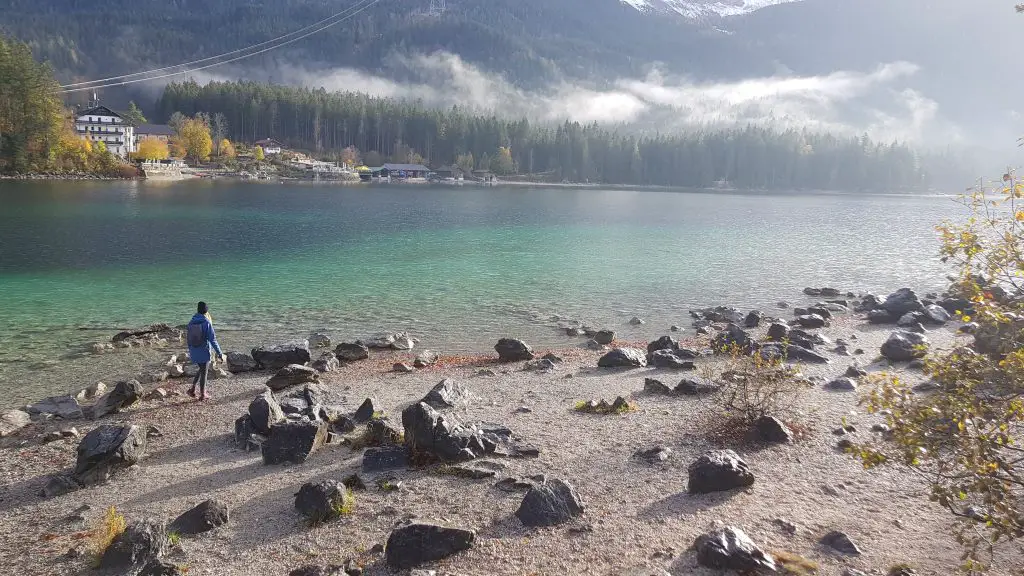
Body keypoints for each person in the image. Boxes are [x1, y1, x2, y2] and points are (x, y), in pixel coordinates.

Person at [186, 301, 224, 400]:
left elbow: (188, 339)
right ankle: (203, 394)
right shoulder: (206, 323)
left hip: (194, 351)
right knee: (204, 373)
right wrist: (219, 353)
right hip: (204, 350)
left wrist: (191, 350)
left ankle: (192, 389)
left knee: (202, 369)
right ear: (206, 311)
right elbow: (213, 339)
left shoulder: (191, 322)